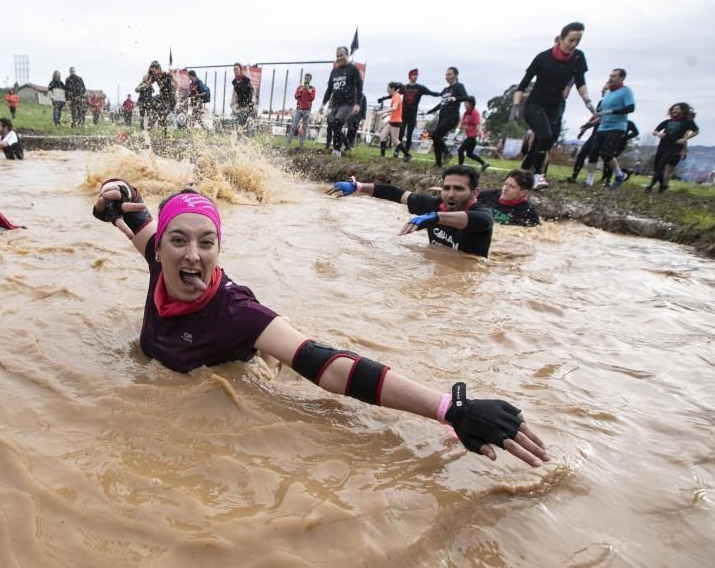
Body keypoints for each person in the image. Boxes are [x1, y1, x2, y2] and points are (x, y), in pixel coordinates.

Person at [91, 180, 548, 468]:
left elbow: (329, 366)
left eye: (206, 242)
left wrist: (450, 408)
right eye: (179, 241)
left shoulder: (238, 313)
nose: (192, 255)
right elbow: (133, 205)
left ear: (218, 248)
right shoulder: (156, 260)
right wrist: (118, 189)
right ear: (159, 248)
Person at [327, 164, 494, 257]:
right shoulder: (432, 205)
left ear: (474, 193)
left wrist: (437, 217)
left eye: (458, 189)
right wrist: (359, 186)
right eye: (446, 188)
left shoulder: (482, 213)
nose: (450, 194)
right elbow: (396, 193)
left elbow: (482, 221)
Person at [512, 23, 593, 190]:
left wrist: (588, 101)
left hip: (554, 107)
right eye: (571, 40)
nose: (574, 44)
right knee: (545, 136)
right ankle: (537, 176)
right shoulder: (543, 58)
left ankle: (521, 176)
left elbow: (580, 83)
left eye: (578, 41)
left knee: (540, 144)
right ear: (561, 38)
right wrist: (516, 105)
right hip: (534, 104)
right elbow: (523, 84)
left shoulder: (578, 58)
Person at [583, 69, 635, 188]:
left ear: (622, 78)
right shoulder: (608, 94)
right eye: (610, 75)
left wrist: (612, 111)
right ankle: (589, 181)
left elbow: (631, 108)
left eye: (614, 76)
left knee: (606, 154)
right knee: (593, 153)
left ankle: (619, 175)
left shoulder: (626, 91)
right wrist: (591, 124)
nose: (610, 78)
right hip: (602, 127)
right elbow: (603, 114)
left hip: (617, 127)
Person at [318, 47, 363, 157]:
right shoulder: (334, 71)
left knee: (337, 123)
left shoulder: (353, 69)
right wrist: (323, 104)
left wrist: (357, 103)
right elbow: (329, 89)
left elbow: (359, 87)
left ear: (347, 55)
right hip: (335, 103)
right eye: (337, 56)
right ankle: (345, 146)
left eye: (341, 55)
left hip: (347, 103)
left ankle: (336, 151)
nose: (339, 58)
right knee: (332, 125)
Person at [646, 103, 699, 193]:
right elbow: (655, 131)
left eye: (677, 109)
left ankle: (650, 186)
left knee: (661, 167)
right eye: (673, 109)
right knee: (656, 168)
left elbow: (696, 131)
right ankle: (662, 186)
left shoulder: (688, 122)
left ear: (683, 110)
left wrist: (685, 139)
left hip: (674, 147)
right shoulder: (667, 122)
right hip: (662, 146)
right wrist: (659, 134)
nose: (675, 110)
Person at [426, 67, 468, 167]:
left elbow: (466, 97)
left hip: (452, 116)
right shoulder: (445, 90)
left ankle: (447, 153)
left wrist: (456, 98)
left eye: (449, 74)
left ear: (455, 75)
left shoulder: (459, 86)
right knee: (436, 139)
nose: (447, 76)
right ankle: (438, 163)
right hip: (442, 116)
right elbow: (441, 104)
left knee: (435, 135)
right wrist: (429, 111)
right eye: (446, 74)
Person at [398, 69, 441, 162]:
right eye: (414, 75)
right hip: (403, 114)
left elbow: (431, 93)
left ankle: (406, 153)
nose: (416, 76)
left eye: (417, 75)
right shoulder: (404, 88)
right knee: (400, 134)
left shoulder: (420, 88)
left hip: (412, 115)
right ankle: (397, 151)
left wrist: (441, 94)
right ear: (410, 76)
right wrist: (384, 97)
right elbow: (395, 95)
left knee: (409, 135)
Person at [476, 170, 541, 226]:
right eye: (505, 184)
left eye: (512, 186)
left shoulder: (529, 214)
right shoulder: (487, 195)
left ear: (523, 193)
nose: (505, 188)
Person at [458, 96, 488, 171]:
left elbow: (478, 125)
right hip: (469, 135)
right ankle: (484, 163)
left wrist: (477, 136)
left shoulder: (475, 113)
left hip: (474, 136)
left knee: (460, 150)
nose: (464, 104)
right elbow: (461, 122)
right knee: (469, 154)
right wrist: (457, 130)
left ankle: (459, 167)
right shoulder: (466, 113)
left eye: (466, 103)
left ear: (471, 103)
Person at [145, 61, 176, 132]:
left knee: (162, 115)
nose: (153, 74)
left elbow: (176, 84)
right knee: (154, 113)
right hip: (162, 98)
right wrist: (148, 82)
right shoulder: (154, 77)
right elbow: (148, 83)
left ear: (158, 69)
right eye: (151, 72)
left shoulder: (167, 75)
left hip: (170, 99)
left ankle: (164, 136)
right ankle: (147, 133)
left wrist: (174, 91)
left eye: (153, 72)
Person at [287, 73, 316, 146]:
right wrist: (301, 91)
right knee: (294, 125)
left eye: (308, 78)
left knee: (304, 127)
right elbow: (296, 96)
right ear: (304, 78)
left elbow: (312, 98)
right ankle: (288, 141)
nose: (306, 79)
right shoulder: (300, 87)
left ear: (310, 79)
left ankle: (301, 143)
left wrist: (308, 91)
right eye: (305, 78)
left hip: (307, 110)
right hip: (299, 109)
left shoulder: (312, 88)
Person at [376, 81, 404, 158]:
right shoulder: (394, 96)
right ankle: (382, 156)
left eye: (388, 88)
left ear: (393, 89)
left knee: (395, 141)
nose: (387, 90)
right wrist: (386, 114)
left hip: (396, 121)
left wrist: (382, 111)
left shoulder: (397, 97)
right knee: (382, 136)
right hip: (391, 120)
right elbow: (396, 110)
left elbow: (394, 108)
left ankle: (407, 155)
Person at [230, 63, 255, 134]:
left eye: (236, 69)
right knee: (237, 120)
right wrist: (232, 101)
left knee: (242, 120)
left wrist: (252, 100)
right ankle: (239, 135)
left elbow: (252, 90)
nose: (235, 71)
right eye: (234, 69)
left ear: (240, 70)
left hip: (248, 103)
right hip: (240, 103)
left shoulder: (246, 79)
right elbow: (234, 92)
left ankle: (240, 135)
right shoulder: (234, 81)